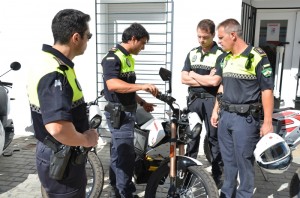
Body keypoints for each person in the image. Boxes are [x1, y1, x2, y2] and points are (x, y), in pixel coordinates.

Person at [27, 9, 99, 198]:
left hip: (57, 151)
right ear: (76, 37)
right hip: (62, 154)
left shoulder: (46, 61)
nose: (88, 40)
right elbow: (58, 129)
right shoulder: (55, 72)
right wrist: (86, 139)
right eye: (88, 36)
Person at [211, 18, 274, 198]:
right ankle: (227, 194)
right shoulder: (224, 58)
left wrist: (267, 122)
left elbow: (267, 90)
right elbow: (222, 86)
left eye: (221, 38)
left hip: (245, 120)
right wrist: (216, 109)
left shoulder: (257, 56)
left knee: (244, 161)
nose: (219, 42)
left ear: (233, 35)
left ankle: (244, 194)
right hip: (225, 118)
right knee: (228, 161)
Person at [101, 23, 159, 198]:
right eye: (142, 43)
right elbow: (112, 84)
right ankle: (126, 193)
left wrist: (142, 102)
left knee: (118, 153)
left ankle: (116, 190)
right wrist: (142, 86)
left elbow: (126, 86)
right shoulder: (112, 58)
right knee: (125, 157)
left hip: (127, 111)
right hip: (119, 114)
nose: (143, 47)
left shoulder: (128, 58)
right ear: (133, 39)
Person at [181, 19, 224, 186]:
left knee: (214, 139)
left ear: (213, 35)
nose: (201, 40)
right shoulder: (192, 53)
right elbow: (183, 78)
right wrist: (205, 78)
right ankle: (189, 174)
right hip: (194, 101)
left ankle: (216, 176)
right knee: (192, 138)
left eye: (205, 37)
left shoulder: (221, 55)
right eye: (199, 36)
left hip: (211, 101)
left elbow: (215, 82)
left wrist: (193, 74)